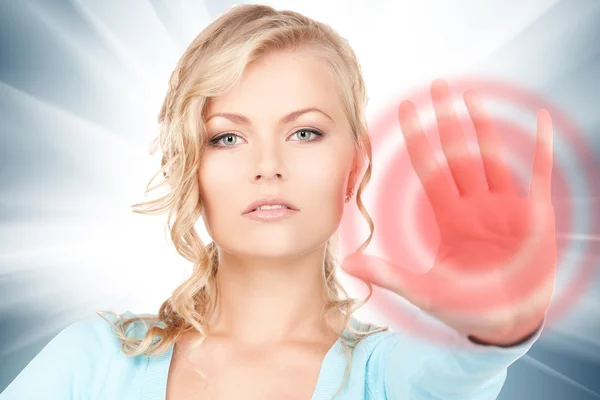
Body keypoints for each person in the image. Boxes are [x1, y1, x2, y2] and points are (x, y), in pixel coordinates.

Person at [0, 3, 556, 400]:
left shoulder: (386, 377)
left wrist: (494, 331)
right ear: (192, 163)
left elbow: (459, 369)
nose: (268, 165)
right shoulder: (94, 361)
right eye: (227, 136)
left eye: (305, 132)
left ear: (354, 166)